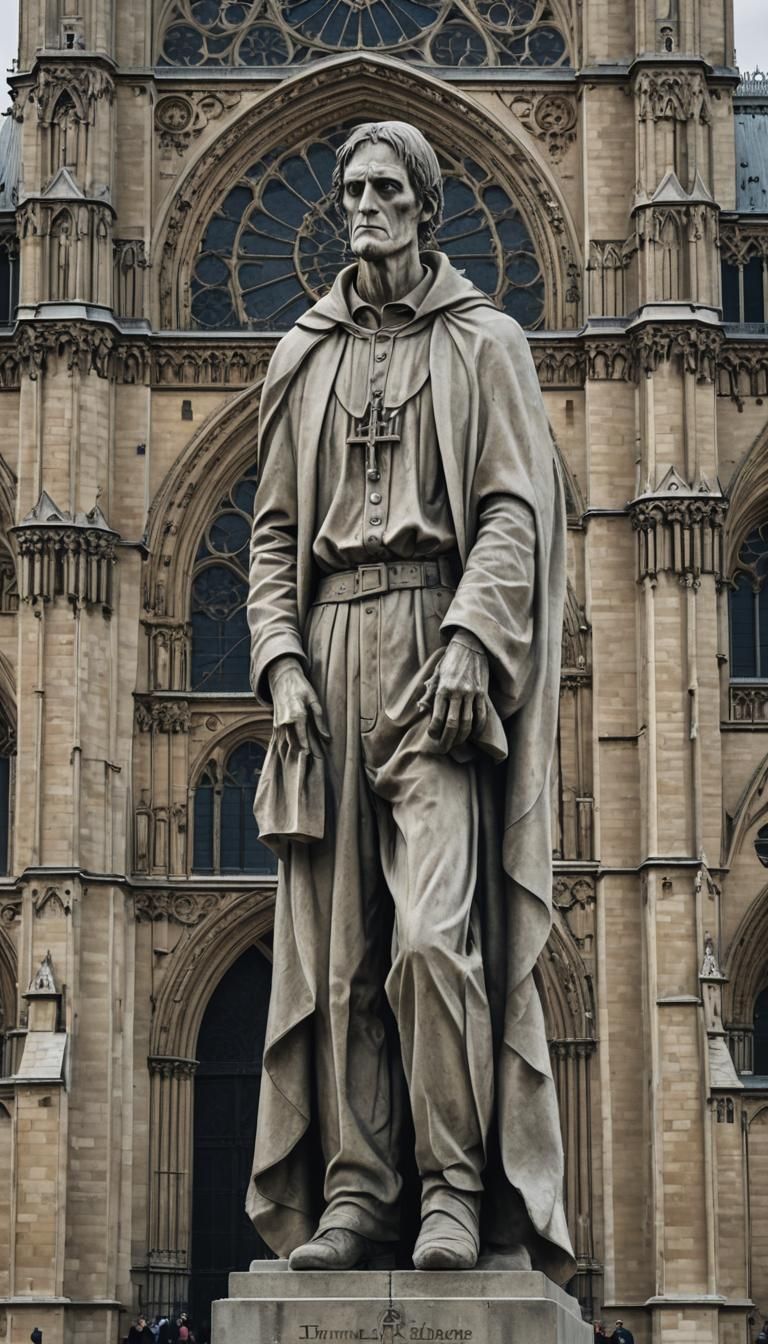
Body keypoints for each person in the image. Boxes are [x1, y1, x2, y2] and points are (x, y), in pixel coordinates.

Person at [247, 119, 572, 1277]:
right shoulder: (307, 353)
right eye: (352, 190)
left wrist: (477, 639)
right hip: (331, 652)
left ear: (427, 207)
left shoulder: (484, 343)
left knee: (434, 941)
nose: (366, 206)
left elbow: (512, 510)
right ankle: (356, 1192)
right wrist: (280, 662)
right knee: (339, 963)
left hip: (437, 649)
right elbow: (273, 535)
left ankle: (451, 1187)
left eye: (388, 188)